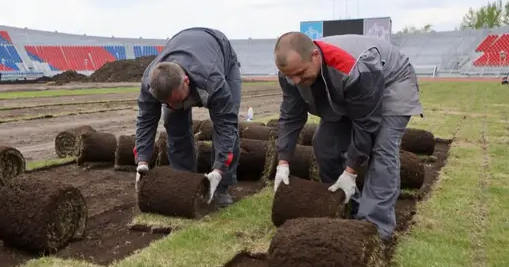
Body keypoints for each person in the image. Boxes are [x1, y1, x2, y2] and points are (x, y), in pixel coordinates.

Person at [271, 32, 423, 242]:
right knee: (324, 145)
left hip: (391, 83)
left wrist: (351, 172)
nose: (296, 81)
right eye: (290, 76)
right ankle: (349, 205)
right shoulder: (291, 74)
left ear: (315, 56)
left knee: (382, 149)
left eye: (300, 73)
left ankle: (375, 227)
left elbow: (365, 124)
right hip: (350, 90)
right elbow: (290, 116)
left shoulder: (354, 67)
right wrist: (283, 161)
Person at [134, 27, 242, 208]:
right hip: (184, 45)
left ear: (186, 81)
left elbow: (226, 126)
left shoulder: (213, 81)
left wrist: (219, 169)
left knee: (227, 125)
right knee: (174, 125)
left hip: (220, 53)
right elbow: (145, 121)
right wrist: (142, 161)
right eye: (167, 103)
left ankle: (222, 187)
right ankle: (184, 180)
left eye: (177, 100)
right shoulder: (149, 83)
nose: (175, 106)